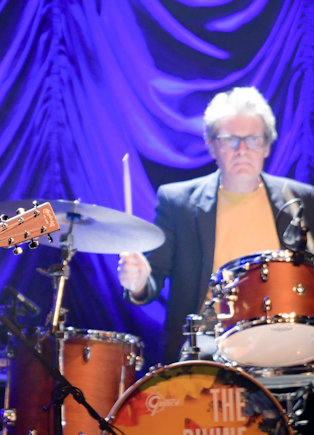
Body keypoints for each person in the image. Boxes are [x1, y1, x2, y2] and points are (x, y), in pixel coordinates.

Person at [118, 86, 314, 364]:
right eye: (229, 139)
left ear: (267, 146)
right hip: (208, 343)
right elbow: (151, 281)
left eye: (253, 139)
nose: (242, 149)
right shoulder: (178, 202)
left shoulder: (301, 199)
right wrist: (137, 282)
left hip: (284, 333)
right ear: (211, 146)